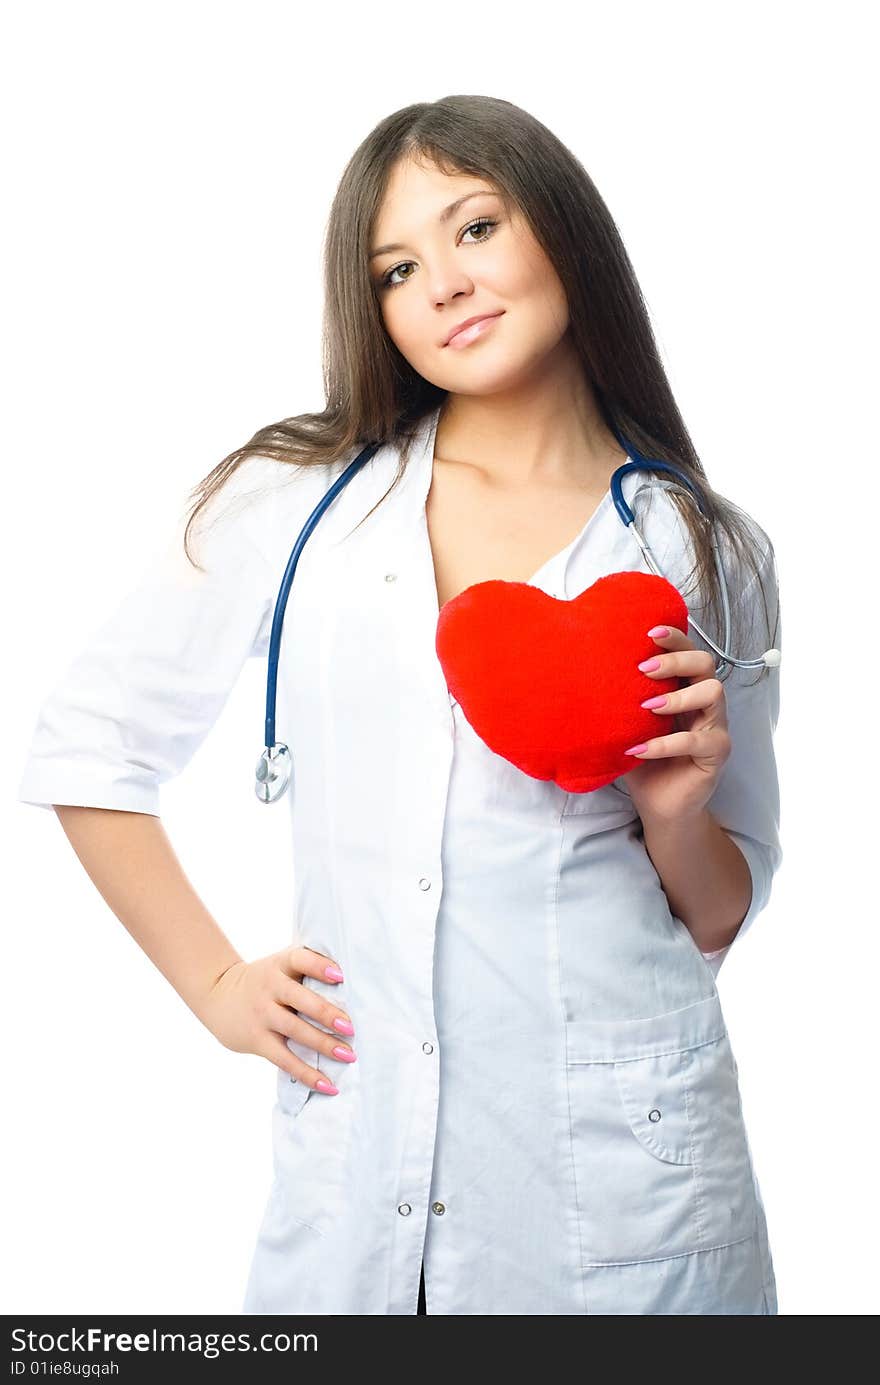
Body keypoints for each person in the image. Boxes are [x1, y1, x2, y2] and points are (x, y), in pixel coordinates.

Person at [17, 95, 782, 1316]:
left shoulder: (702, 544)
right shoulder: (297, 498)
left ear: (563, 230)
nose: (443, 285)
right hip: (361, 1155)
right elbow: (88, 745)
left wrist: (679, 811)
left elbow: (716, 910)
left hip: (623, 1181)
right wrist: (216, 985)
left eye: (476, 226)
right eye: (396, 268)